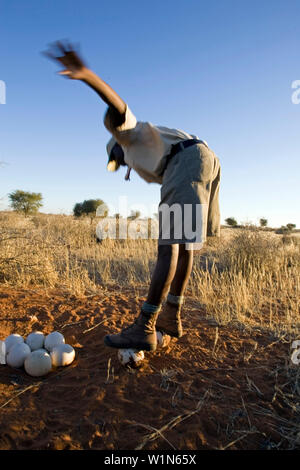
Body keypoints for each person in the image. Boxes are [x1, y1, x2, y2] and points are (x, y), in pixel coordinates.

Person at [44, 41, 221, 352]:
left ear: (115, 146)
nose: (122, 164)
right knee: (185, 245)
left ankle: (145, 325)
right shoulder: (149, 150)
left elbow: (118, 106)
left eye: (118, 160)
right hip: (205, 161)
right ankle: (171, 315)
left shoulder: (125, 135)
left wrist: (87, 76)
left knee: (168, 247)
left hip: (188, 161)